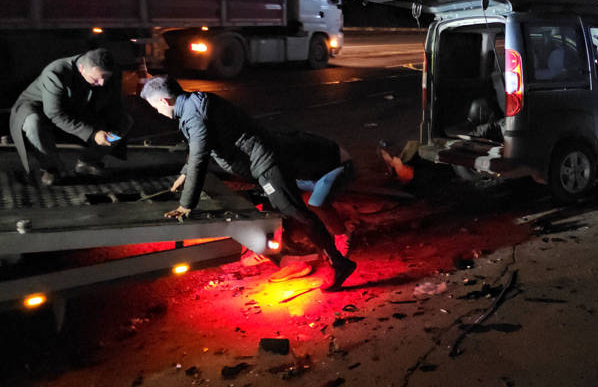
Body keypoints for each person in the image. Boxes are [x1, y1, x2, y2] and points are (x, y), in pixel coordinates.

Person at [139, 75, 357, 290]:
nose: (157, 112)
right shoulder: (195, 102)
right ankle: (284, 251)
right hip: (262, 160)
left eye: (155, 107)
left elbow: (199, 156)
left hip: (265, 162)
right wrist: (185, 173)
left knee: (295, 211)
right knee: (279, 204)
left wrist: (186, 204)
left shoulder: (192, 115)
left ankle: (339, 263)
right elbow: (198, 147)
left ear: (163, 101)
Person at [9, 48, 132, 185]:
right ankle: (52, 168)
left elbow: (115, 105)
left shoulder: (112, 73)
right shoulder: (55, 72)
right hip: (41, 111)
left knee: (124, 121)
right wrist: (93, 134)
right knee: (33, 122)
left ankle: (88, 162)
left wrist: (113, 128)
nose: (102, 83)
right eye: (95, 79)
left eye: (105, 78)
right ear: (81, 69)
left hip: (78, 108)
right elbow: (55, 113)